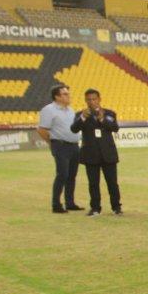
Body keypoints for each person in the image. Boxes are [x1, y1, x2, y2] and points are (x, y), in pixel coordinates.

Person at [70, 89, 122, 216]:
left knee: (112, 183)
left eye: (94, 99)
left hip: (108, 154)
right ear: (85, 100)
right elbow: (73, 129)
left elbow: (115, 128)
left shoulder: (109, 113)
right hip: (90, 154)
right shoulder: (80, 115)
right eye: (89, 99)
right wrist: (83, 117)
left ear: (99, 99)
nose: (92, 102)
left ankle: (116, 207)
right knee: (93, 183)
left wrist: (102, 119)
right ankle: (95, 208)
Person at [36, 84, 82, 213]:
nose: (68, 96)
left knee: (72, 175)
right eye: (65, 94)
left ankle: (70, 202)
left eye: (68, 93)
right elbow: (42, 129)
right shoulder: (48, 110)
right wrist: (52, 143)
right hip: (60, 145)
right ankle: (56, 204)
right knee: (62, 174)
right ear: (57, 96)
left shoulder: (70, 110)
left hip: (73, 146)